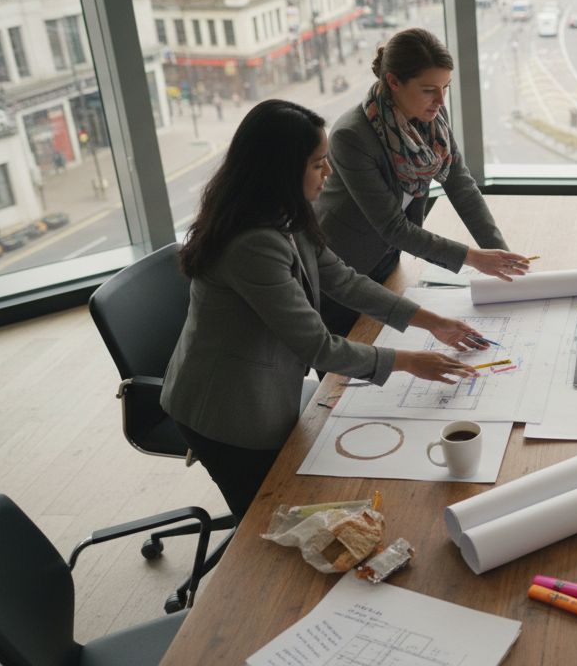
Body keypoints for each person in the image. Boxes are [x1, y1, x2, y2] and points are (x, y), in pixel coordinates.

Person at [162, 99, 484, 520]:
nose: (328, 173)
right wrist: (410, 362)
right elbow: (317, 347)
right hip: (228, 409)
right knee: (268, 522)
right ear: (279, 169)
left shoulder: (285, 214)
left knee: (302, 500)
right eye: (318, 164)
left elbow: (343, 279)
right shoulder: (252, 243)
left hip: (266, 382)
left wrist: (432, 322)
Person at [316, 27, 529, 336]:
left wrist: (500, 256)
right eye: (430, 89)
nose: (441, 101)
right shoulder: (352, 136)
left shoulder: (430, 122)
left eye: (446, 87)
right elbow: (392, 227)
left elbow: (461, 186)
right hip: (344, 271)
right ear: (393, 82)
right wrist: (472, 258)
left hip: (389, 258)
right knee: (355, 371)